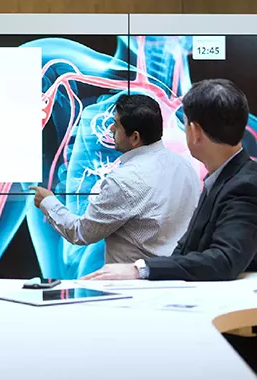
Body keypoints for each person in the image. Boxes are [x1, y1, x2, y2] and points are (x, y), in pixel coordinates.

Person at [82, 79, 257, 282]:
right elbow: (187, 250)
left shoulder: (245, 185)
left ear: (195, 131)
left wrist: (141, 269)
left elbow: (225, 260)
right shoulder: (220, 178)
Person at [30, 94, 199, 266]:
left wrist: (48, 202)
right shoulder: (185, 166)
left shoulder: (123, 181)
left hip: (133, 287)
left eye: (116, 126)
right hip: (175, 280)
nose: (110, 129)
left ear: (134, 137)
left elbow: (81, 232)